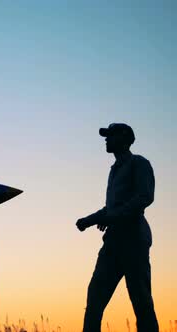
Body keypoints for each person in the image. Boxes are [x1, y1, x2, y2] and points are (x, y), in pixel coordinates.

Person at [76, 123, 159, 332]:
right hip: (113, 242)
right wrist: (88, 220)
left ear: (125, 138)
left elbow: (144, 197)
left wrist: (112, 216)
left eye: (110, 135)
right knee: (95, 298)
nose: (106, 139)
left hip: (133, 240)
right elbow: (111, 208)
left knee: (140, 299)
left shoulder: (139, 163)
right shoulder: (114, 171)